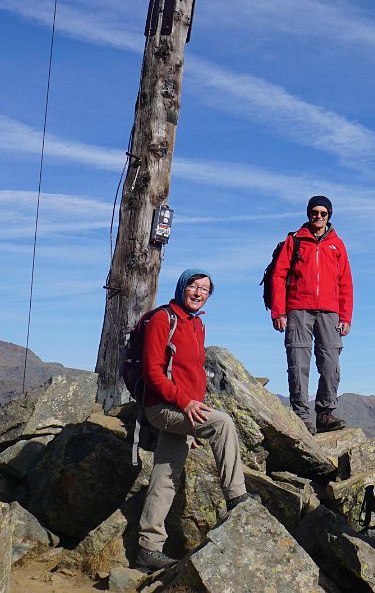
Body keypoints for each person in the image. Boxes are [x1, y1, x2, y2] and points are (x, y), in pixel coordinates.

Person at [134, 268, 248, 572]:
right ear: (182, 287)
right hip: (161, 407)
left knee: (165, 475)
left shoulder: (197, 325)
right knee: (223, 423)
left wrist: (194, 418)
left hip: (183, 411)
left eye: (205, 289)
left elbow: (193, 376)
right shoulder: (163, 319)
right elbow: (152, 372)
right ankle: (238, 497)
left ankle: (148, 548)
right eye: (193, 287)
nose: (198, 293)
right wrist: (186, 405)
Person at [269, 195, 353, 432]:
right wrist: (278, 311)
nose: (318, 217)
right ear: (308, 214)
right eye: (314, 212)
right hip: (297, 309)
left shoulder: (337, 245)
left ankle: (325, 414)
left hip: (330, 312)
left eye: (323, 213)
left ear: (329, 216)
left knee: (330, 363)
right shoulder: (294, 241)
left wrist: (345, 316)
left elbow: (345, 282)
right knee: (298, 363)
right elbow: (278, 276)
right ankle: (301, 416)